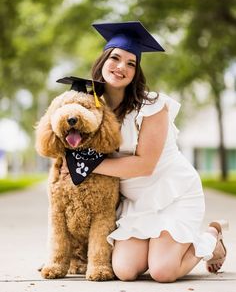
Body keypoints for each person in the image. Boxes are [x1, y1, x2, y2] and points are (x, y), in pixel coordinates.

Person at [64, 21, 228, 282]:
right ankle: (164, 245)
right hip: (136, 203)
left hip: (174, 193)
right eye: (115, 58)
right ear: (102, 61)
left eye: (131, 63)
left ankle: (211, 235)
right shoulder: (91, 107)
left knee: (163, 271)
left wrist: (85, 163)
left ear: (136, 72)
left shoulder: (152, 106)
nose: (121, 67)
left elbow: (145, 165)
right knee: (125, 271)